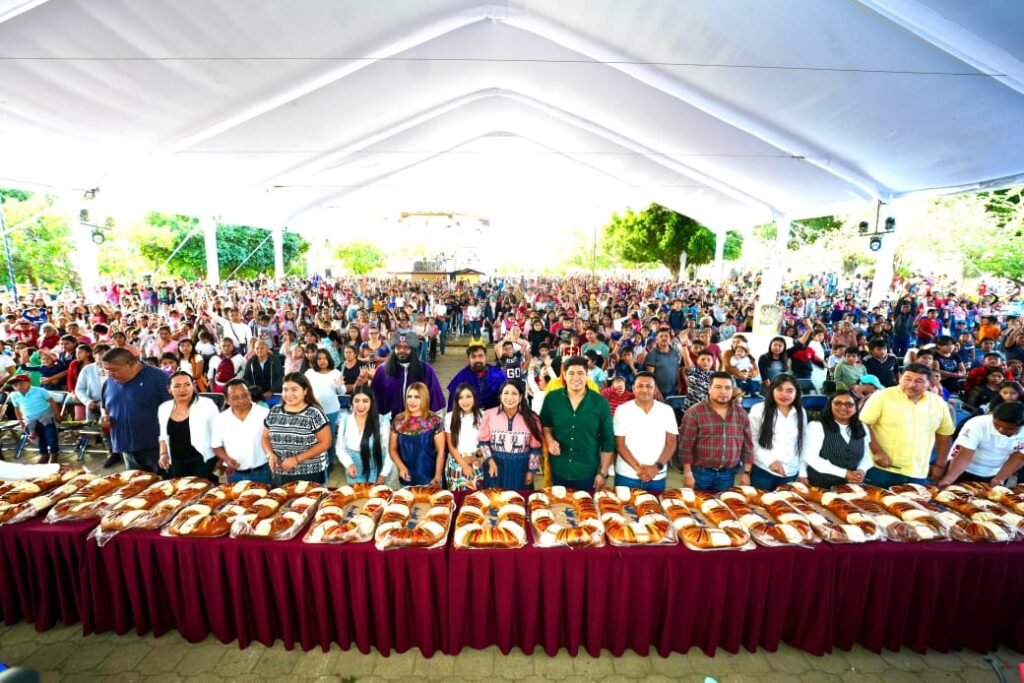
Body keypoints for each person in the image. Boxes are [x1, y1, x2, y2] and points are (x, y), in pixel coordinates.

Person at [860, 362, 956, 486]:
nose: (911, 385)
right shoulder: (882, 396)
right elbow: (863, 424)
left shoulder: (938, 403)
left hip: (918, 472)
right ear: (900, 378)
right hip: (880, 469)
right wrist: (877, 452)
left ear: (929, 383)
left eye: (919, 381)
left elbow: (944, 434)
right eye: (907, 379)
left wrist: (940, 464)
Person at [539, 356, 615, 489]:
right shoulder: (552, 398)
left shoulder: (600, 402)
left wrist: (603, 473)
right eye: (571, 373)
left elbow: (607, 440)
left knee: (585, 502)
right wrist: (550, 440)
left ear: (587, 375)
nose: (576, 378)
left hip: (587, 470)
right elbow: (545, 424)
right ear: (564, 375)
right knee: (557, 502)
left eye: (580, 373)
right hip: (559, 467)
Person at [677, 372, 754, 492]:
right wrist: (687, 474)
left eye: (728, 388)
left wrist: (746, 473)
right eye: (718, 387)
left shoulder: (741, 413)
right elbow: (685, 446)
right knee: (697, 502)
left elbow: (748, 445)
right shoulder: (694, 412)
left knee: (722, 502)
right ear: (709, 389)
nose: (723, 391)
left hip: (728, 474)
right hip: (700, 473)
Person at [100, 348, 171, 472]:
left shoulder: (160, 378)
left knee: (163, 482)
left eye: (113, 370)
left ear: (132, 364)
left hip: (157, 449)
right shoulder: (109, 382)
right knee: (135, 481)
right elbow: (105, 406)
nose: (110, 374)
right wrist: (104, 417)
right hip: (126, 449)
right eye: (106, 370)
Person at [612, 372, 678, 491]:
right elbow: (620, 445)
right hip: (627, 475)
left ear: (655, 390)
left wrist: (655, 468)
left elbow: (671, 443)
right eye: (640, 386)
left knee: (655, 503)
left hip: (657, 476)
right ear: (633, 389)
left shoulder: (666, 411)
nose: (644, 390)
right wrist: (638, 469)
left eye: (649, 386)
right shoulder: (622, 410)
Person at [262, 372, 332, 485]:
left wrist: (296, 459)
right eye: (285, 390)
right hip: (281, 472)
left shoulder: (314, 413)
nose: (289, 394)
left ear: (305, 391)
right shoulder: (275, 411)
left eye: (294, 389)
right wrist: (270, 454)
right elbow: (265, 437)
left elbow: (325, 442)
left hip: (311, 472)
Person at [747, 374, 810, 491]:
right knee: (760, 501)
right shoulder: (759, 409)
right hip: (764, 470)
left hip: (790, 472)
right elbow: (751, 440)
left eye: (790, 391)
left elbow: (803, 442)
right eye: (779, 389)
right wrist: (770, 461)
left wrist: (802, 470)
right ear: (772, 390)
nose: (784, 394)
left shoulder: (801, 412)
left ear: (796, 393)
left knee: (784, 501)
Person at [937, 402, 1024, 486]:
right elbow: (964, 453)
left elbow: (1019, 457)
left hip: (994, 472)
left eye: (1009, 429)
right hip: (961, 468)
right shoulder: (977, 424)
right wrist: (949, 479)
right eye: (997, 425)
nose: (1001, 430)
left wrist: (1000, 478)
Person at [800, 390, 873, 489]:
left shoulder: (862, 427)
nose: (843, 407)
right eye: (838, 403)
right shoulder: (817, 426)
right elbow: (810, 457)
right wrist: (844, 473)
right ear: (830, 405)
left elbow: (867, 454)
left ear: (856, 407)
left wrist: (861, 470)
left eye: (849, 404)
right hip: (821, 485)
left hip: (850, 486)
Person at [479, 380, 544, 489]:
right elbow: (483, 442)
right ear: (500, 396)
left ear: (521, 397)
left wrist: (531, 471)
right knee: (495, 497)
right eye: (506, 393)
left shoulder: (532, 418)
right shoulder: (489, 414)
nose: (509, 397)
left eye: (514, 393)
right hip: (495, 467)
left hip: (520, 469)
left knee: (518, 497)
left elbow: (536, 449)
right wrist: (490, 462)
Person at [157, 372, 219, 481]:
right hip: (176, 462)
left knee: (203, 488)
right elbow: (163, 435)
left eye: (187, 384)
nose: (183, 389)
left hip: (202, 460)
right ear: (169, 389)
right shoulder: (164, 408)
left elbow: (219, 434)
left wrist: (221, 460)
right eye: (177, 386)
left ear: (193, 386)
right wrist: (163, 453)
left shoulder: (207, 405)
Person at [211, 378, 272, 484]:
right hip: (235, 474)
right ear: (227, 399)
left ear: (250, 394)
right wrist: (227, 459)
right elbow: (216, 445)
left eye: (244, 395)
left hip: (262, 472)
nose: (241, 400)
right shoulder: (220, 419)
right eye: (235, 397)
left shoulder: (265, 414)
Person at [371, 332, 445, 417]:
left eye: (406, 347)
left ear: (412, 349)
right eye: (398, 347)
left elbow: (435, 399)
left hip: (419, 422)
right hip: (388, 422)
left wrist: (434, 421)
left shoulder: (426, 370)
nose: (402, 350)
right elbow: (374, 398)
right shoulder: (382, 370)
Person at [389, 382, 445, 486]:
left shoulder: (435, 421)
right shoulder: (398, 420)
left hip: (429, 480)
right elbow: (392, 448)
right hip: (406, 480)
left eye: (417, 397)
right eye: (409, 396)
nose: (412, 401)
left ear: (425, 399)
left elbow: (441, 452)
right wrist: (401, 467)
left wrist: (437, 477)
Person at [339, 385, 393, 485]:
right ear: (351, 402)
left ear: (371, 402)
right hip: (354, 471)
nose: (360, 405)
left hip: (377, 470)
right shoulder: (345, 421)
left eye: (365, 401)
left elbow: (390, 451)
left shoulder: (381, 422)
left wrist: (383, 474)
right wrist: (349, 464)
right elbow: (340, 448)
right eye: (356, 401)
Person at [7, 373, 62, 463]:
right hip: (30, 421)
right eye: (15, 385)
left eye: (21, 383)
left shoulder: (40, 391)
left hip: (46, 418)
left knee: (51, 437)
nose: (19, 386)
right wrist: (20, 421)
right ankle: (44, 454)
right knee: (38, 439)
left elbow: (51, 401)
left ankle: (54, 454)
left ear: (29, 382)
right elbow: (16, 408)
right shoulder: (14, 395)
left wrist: (57, 414)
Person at [304, 348, 346, 466]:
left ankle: (330, 462)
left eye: (325, 358)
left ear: (329, 359)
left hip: (331, 410)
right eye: (319, 358)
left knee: (329, 437)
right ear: (315, 360)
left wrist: (339, 385)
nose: (322, 361)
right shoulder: (309, 373)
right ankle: (317, 461)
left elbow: (342, 391)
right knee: (315, 438)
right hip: (314, 411)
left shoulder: (336, 373)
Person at [444, 383, 484, 491]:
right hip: (456, 461)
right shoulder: (450, 417)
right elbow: (451, 445)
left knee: (476, 495)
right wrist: (464, 464)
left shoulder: (483, 415)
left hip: (477, 460)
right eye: (461, 397)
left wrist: (473, 457)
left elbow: (486, 443)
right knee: (457, 495)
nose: (465, 401)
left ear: (474, 398)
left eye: (468, 396)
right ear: (457, 400)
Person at [446, 341, 506, 412]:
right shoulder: (460, 379)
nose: (477, 360)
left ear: (486, 357)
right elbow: (452, 409)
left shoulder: (499, 375)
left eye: (480, 356)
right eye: (473, 357)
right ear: (468, 359)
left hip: (495, 416)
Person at [643, 327, 682, 399]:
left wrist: (679, 383)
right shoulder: (652, 354)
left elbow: (676, 369)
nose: (664, 338)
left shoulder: (675, 352)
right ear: (657, 339)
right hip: (659, 392)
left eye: (666, 336)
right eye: (661, 336)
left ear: (670, 338)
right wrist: (657, 391)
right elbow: (649, 375)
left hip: (673, 390)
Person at [243, 339, 284, 405]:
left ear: (267, 349)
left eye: (262, 348)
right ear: (254, 350)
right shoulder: (250, 362)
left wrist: (271, 391)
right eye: (257, 348)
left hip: (273, 394)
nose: (259, 350)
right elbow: (245, 378)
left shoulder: (274, 360)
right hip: (255, 396)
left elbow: (281, 377)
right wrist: (254, 391)